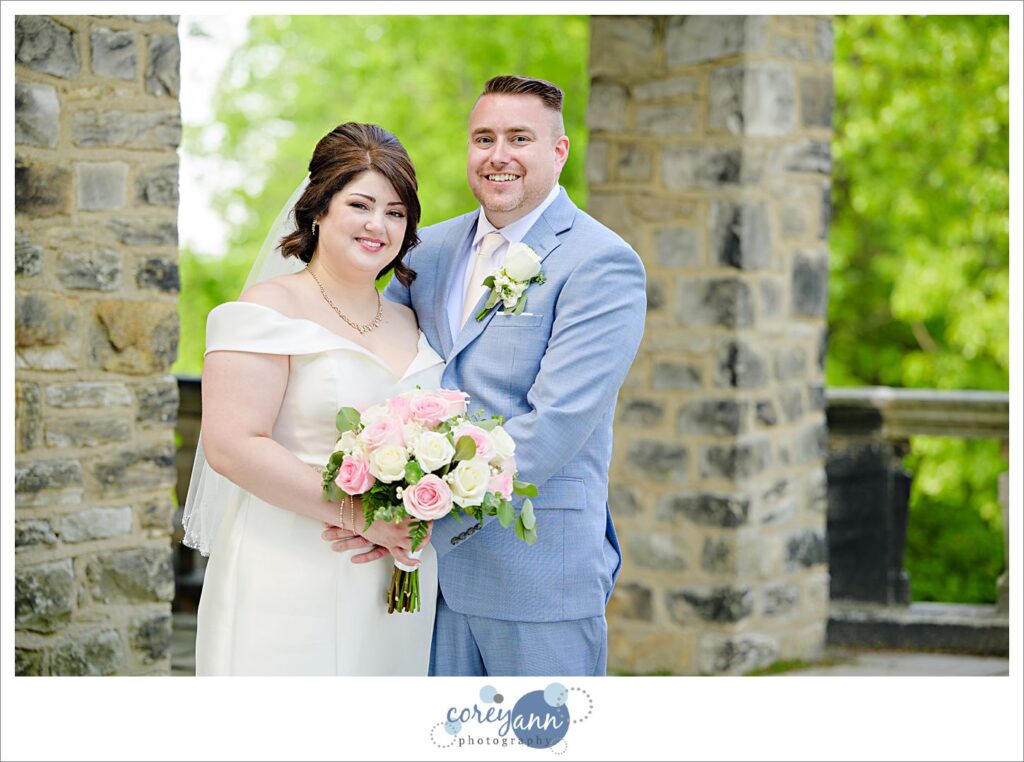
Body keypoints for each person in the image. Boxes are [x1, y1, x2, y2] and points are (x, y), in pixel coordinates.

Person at [326, 75, 647, 676]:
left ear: (559, 151)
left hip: (534, 568)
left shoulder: (601, 262)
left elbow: (556, 424)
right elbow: (381, 368)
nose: (498, 155)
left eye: (519, 137)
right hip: (417, 580)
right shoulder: (425, 250)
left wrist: (415, 514)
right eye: (483, 138)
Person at [183, 122, 442, 675]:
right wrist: (360, 517)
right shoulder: (268, 308)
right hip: (291, 565)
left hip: (395, 575)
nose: (379, 225)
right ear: (319, 208)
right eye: (361, 204)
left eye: (397, 212)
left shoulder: (412, 320)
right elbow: (231, 445)